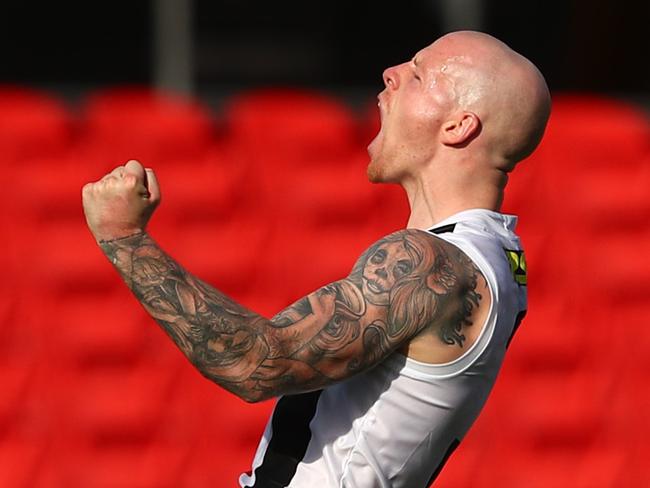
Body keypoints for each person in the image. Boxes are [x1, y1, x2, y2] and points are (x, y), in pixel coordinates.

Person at [82, 30, 551, 487]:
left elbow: (254, 363)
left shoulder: (428, 262)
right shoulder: (494, 256)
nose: (390, 74)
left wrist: (123, 236)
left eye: (418, 75)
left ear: (458, 126)